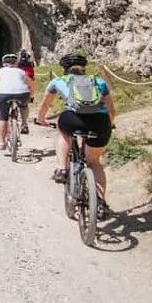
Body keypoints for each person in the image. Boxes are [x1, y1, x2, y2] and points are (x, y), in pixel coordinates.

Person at [35, 53, 116, 220]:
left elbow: (44, 105)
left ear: (64, 69)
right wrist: (110, 123)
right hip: (100, 122)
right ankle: (100, 202)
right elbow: (111, 110)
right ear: (84, 68)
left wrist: (41, 120)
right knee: (94, 162)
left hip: (73, 119)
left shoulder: (58, 81)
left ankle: (62, 169)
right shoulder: (98, 81)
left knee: (63, 131)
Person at [0, 53, 35, 149]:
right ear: (16, 63)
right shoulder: (21, 71)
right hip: (22, 93)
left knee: (3, 118)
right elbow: (32, 84)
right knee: (24, 106)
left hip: (4, 94)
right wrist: (31, 96)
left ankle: (2, 143)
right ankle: (24, 123)